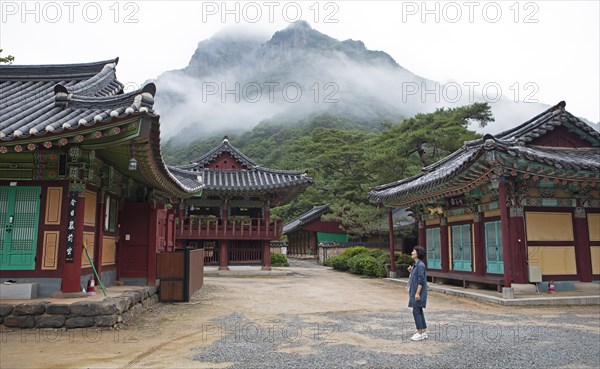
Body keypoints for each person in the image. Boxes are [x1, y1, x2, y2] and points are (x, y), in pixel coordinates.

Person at [407, 246, 428, 341]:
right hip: (415, 291)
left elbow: (421, 281)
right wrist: (411, 271)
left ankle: (419, 332)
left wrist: (417, 293)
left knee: (416, 311)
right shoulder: (416, 265)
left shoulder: (420, 265)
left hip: (418, 292)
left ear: (418, 254)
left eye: (413, 251)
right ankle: (423, 331)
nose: (412, 253)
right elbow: (416, 277)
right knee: (418, 310)